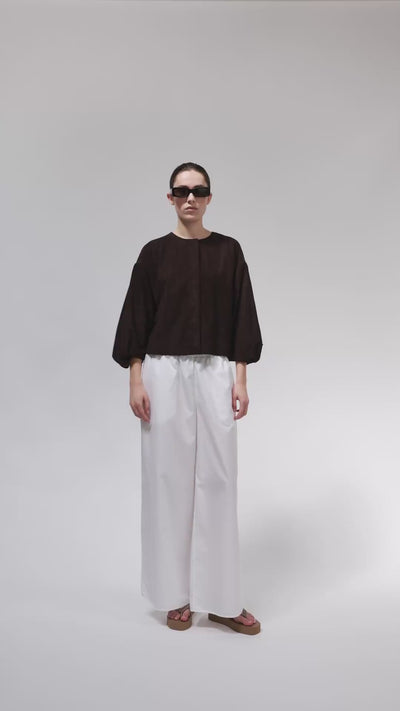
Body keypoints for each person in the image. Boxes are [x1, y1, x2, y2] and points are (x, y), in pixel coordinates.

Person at [112, 162, 263, 635]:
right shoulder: (154, 254)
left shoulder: (228, 251)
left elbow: (242, 315)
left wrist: (240, 378)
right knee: (167, 478)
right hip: (163, 371)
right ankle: (174, 596)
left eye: (198, 190)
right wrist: (136, 378)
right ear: (171, 198)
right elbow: (137, 316)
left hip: (216, 369)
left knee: (219, 478)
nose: (190, 198)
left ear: (210, 197)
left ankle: (222, 599)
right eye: (181, 191)